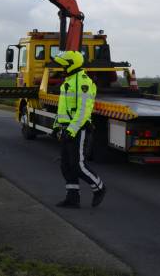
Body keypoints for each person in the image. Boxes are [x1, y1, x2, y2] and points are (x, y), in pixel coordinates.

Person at [52, 50, 106, 208]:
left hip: (78, 128)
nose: (60, 68)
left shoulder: (83, 82)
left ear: (71, 65)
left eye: (63, 65)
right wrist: (56, 126)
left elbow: (84, 110)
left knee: (78, 165)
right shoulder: (68, 80)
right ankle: (72, 198)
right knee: (66, 165)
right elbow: (62, 108)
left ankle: (99, 188)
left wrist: (72, 130)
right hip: (66, 127)